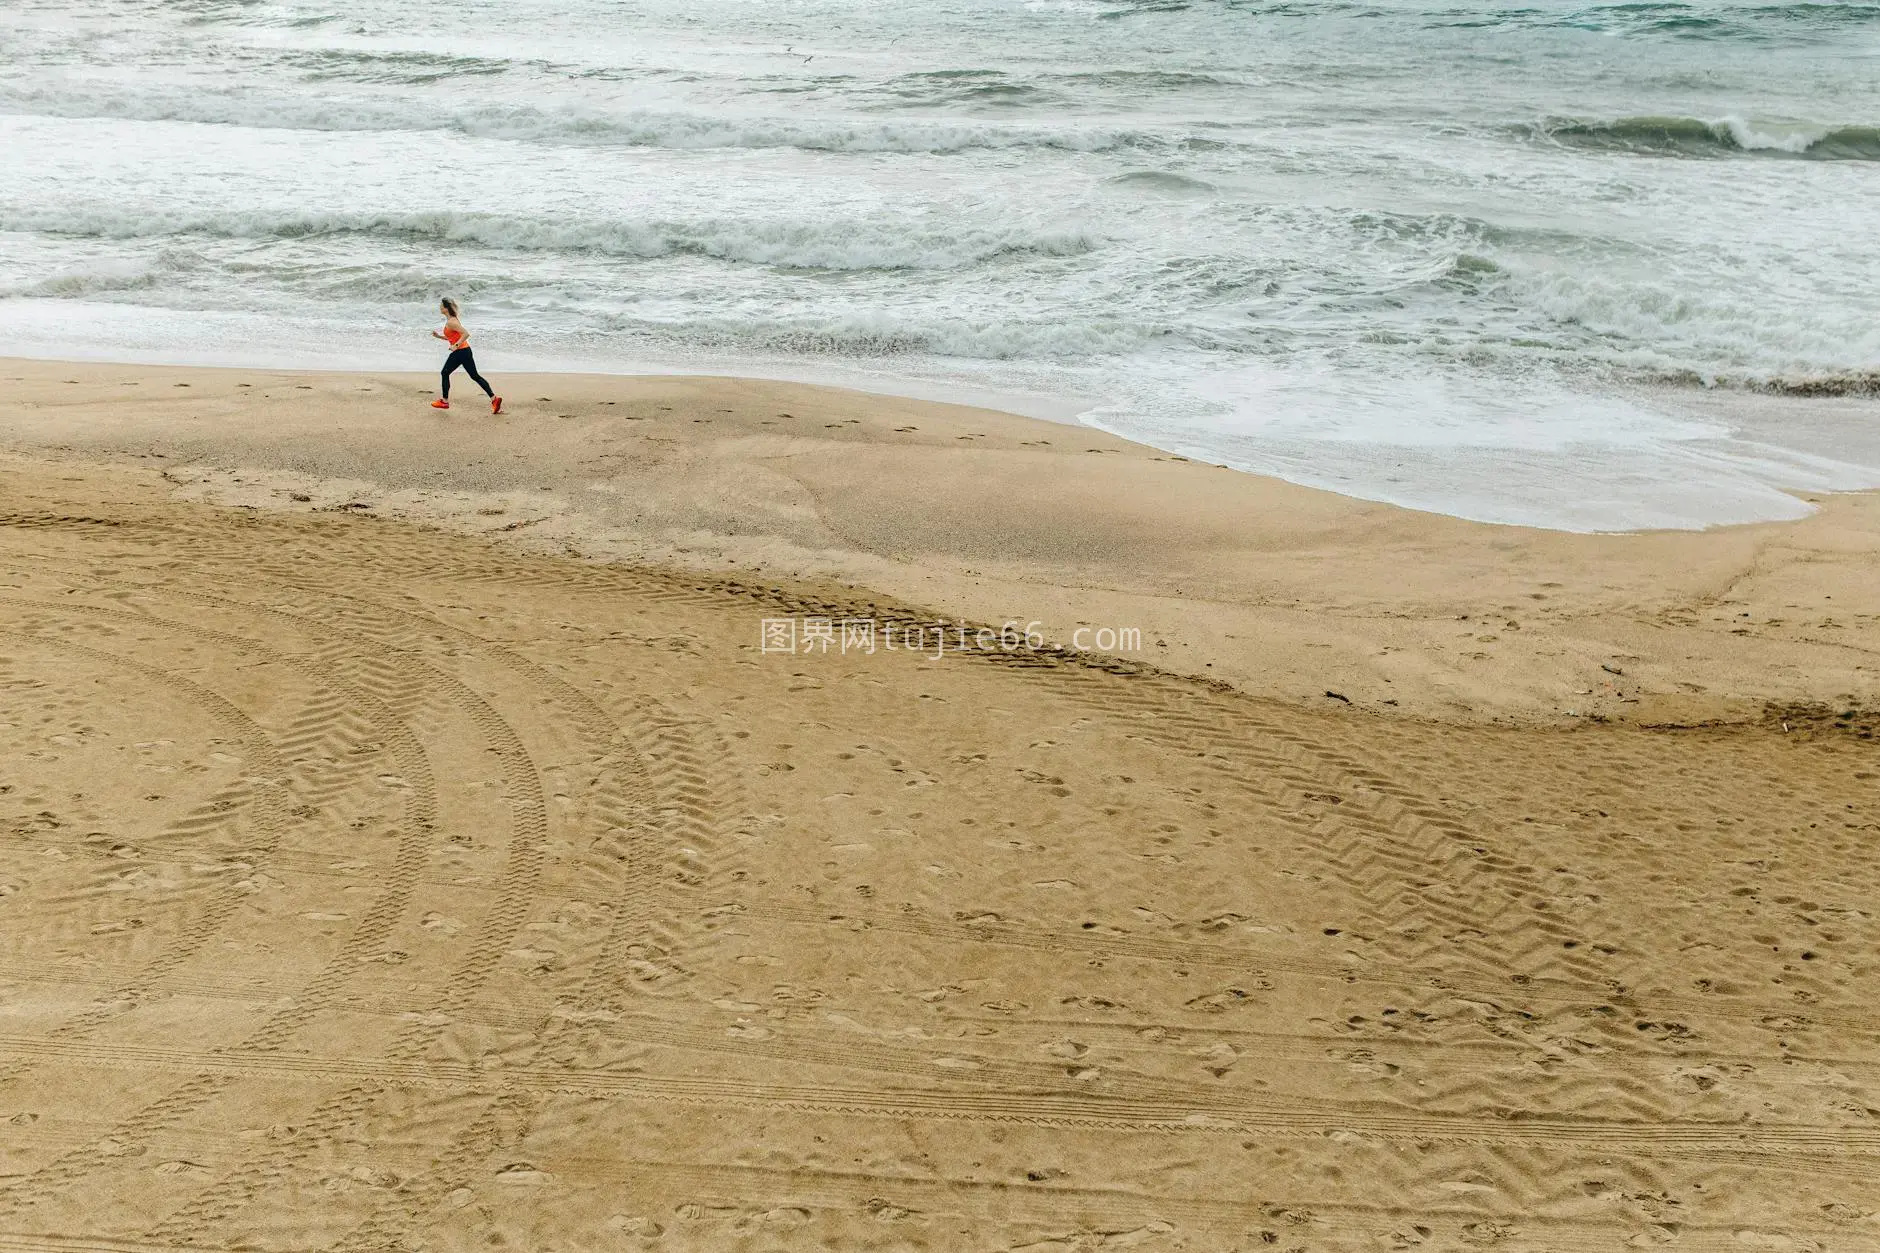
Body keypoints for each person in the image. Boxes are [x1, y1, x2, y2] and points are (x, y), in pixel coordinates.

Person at [431, 297, 502, 413]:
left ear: (446, 308)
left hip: (460, 352)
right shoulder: (452, 320)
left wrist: (456, 346)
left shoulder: (451, 322)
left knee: (445, 372)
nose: (439, 307)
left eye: (441, 306)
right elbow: (452, 337)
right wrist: (438, 336)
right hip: (465, 351)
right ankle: (494, 399)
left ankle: (444, 401)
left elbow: (466, 334)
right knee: (475, 376)